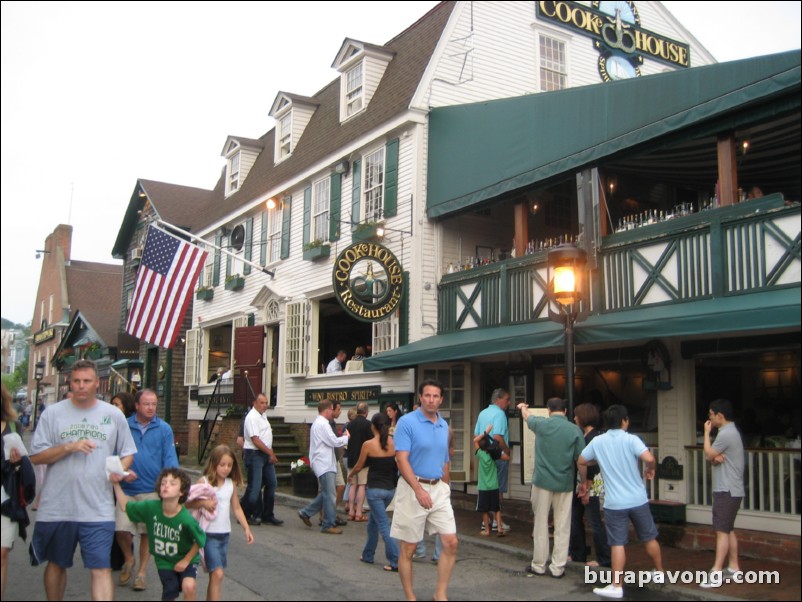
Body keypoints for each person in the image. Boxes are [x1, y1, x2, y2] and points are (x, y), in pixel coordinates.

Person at [30, 359, 137, 601]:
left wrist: (120, 469)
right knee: (56, 564)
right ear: (70, 382)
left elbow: (128, 452)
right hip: (58, 507)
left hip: (97, 507)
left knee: (101, 568)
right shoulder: (53, 414)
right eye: (76, 381)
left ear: (97, 383)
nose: (81, 386)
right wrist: (68, 447)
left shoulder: (113, 415)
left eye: (87, 381)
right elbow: (36, 456)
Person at [578, 404, 664, 599]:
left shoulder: (598, 441)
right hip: (638, 498)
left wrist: (597, 462)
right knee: (649, 537)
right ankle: (659, 572)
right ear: (625, 421)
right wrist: (651, 468)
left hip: (614, 502)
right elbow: (649, 457)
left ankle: (617, 586)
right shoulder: (631, 439)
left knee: (617, 543)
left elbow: (582, 460)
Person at [390, 379, 457, 602]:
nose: (431, 400)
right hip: (412, 488)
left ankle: (440, 594)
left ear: (441, 399)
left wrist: (446, 489)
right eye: (427, 395)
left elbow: (445, 460)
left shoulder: (443, 425)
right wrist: (418, 490)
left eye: (435, 396)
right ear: (420, 397)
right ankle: (410, 596)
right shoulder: (407, 422)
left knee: (451, 542)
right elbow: (401, 460)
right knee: (408, 548)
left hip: (438, 488)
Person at [117, 388, 180, 591]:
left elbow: (170, 458)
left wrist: (171, 484)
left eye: (154, 404)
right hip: (126, 489)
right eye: (146, 404)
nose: (151, 407)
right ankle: (129, 558)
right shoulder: (124, 426)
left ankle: (142, 573)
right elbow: (113, 454)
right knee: (121, 529)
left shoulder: (164, 429)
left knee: (147, 533)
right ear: (136, 405)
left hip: (152, 489)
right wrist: (121, 471)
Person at [112, 468, 206, 602]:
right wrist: (116, 484)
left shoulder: (186, 519)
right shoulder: (151, 508)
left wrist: (186, 561)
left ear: (181, 492)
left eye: (172, 483)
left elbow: (201, 539)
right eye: (163, 483)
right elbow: (124, 506)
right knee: (170, 593)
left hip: (187, 558)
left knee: (189, 586)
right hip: (164, 561)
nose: (166, 485)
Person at [518, 397, 585, 579]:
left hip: (542, 482)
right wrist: (583, 482)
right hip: (564, 482)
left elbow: (527, 416)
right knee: (562, 525)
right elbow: (581, 460)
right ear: (565, 411)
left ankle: (539, 565)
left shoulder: (541, 424)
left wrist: (523, 406)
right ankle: (558, 567)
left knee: (540, 523)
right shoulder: (574, 430)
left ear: (548, 410)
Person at [189, 445, 254, 600]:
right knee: (218, 573)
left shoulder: (230, 484)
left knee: (215, 575)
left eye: (229, 465)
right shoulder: (204, 482)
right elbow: (187, 503)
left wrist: (246, 528)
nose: (226, 469)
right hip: (207, 534)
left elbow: (236, 508)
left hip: (224, 534)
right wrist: (203, 504)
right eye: (222, 465)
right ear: (214, 464)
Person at [700, 399, 745, 589]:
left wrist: (706, 433)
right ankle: (734, 567)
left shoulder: (726, 433)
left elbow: (708, 454)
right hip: (730, 488)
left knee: (721, 531)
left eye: (711, 414)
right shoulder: (730, 432)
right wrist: (714, 457)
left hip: (726, 489)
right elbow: (714, 457)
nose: (709, 417)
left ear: (720, 415)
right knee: (728, 529)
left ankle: (716, 571)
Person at [348, 412, 399, 571]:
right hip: (390, 489)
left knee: (383, 524)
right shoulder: (394, 443)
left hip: (375, 490)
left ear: (374, 426)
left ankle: (396, 560)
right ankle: (368, 554)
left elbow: (359, 465)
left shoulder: (368, 444)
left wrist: (351, 474)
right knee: (373, 522)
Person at [2, 382, 34, 599]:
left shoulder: (13, 426)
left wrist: (16, 462)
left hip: (6, 496)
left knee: (2, 552)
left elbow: (21, 462)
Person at [298, 399, 350, 534]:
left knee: (327, 493)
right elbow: (333, 441)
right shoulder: (323, 424)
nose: (332, 412)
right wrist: (346, 438)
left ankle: (306, 512)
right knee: (331, 495)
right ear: (328, 410)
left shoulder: (318, 423)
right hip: (325, 464)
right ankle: (328, 524)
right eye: (332, 409)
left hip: (323, 463)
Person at [569, 403, 611, 568]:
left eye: (576, 416)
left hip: (591, 484)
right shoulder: (591, 436)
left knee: (594, 521)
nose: (574, 418)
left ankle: (604, 558)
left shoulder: (591, 438)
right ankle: (577, 553)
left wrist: (586, 486)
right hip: (584, 484)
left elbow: (592, 465)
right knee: (576, 517)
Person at [240, 394, 282, 526]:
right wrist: (271, 453)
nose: (265, 405)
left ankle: (267, 514)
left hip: (265, 453)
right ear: (255, 403)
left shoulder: (263, 415)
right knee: (255, 487)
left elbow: (265, 436)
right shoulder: (252, 417)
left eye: (266, 402)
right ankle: (245, 513)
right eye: (262, 403)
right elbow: (255, 439)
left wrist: (270, 451)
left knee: (272, 482)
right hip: (254, 454)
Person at [474, 388, 511, 533]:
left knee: (485, 487)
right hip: (497, 455)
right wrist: (506, 450)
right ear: (499, 399)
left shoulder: (482, 412)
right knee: (498, 489)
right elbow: (498, 437)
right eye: (507, 399)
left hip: (484, 455)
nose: (509, 403)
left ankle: (486, 522)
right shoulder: (500, 414)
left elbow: (477, 434)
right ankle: (497, 521)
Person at [474, 424, 503, 539]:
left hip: (483, 487)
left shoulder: (480, 454)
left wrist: (485, 432)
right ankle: (499, 527)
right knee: (497, 508)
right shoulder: (493, 454)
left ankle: (487, 530)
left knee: (484, 510)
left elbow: (475, 440)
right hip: (494, 485)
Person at [346, 401, 373, 521]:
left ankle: (351, 511)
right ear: (366, 412)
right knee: (362, 485)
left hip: (351, 458)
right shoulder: (368, 425)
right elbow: (371, 441)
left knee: (353, 485)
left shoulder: (350, 425)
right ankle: (358, 513)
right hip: (363, 459)